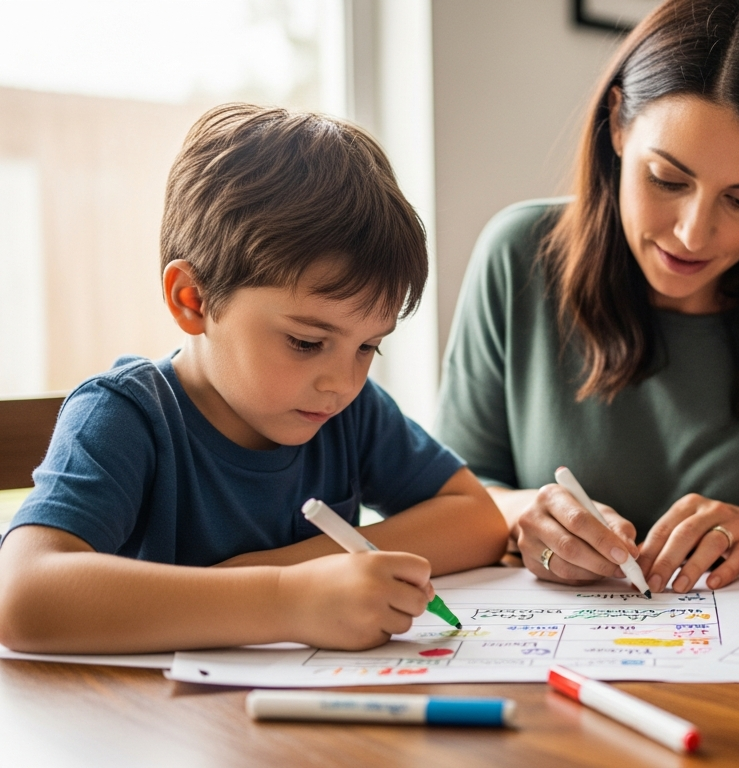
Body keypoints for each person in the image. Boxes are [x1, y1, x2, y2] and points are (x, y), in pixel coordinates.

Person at [435, 0, 739, 596]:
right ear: (616, 123)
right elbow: (450, 496)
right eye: (666, 180)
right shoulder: (518, 258)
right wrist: (522, 515)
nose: (692, 233)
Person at [0, 104, 508, 654]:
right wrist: (286, 597)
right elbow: (22, 595)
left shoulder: (347, 414)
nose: (342, 381)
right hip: (154, 727)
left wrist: (285, 568)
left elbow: (477, 520)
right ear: (192, 301)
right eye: (306, 343)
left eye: (368, 346)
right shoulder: (126, 417)